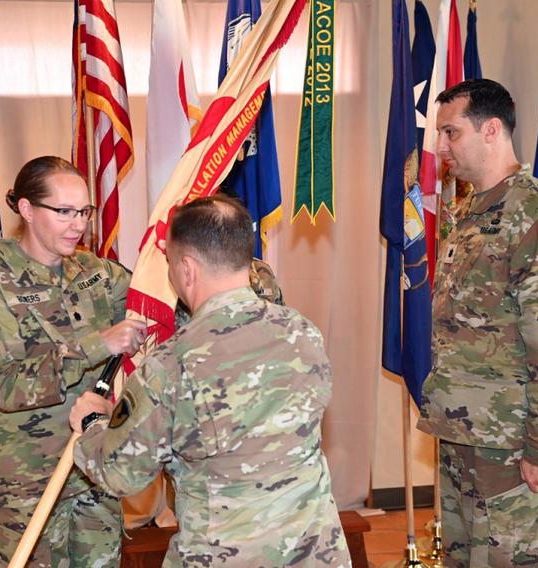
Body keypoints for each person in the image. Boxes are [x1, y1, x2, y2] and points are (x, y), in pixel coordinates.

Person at [69, 195, 350, 566]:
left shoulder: (172, 364)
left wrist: (92, 422)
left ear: (186, 268)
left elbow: (120, 474)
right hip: (315, 552)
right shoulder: (303, 333)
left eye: (169, 262)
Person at [416, 79, 538, 567]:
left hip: (513, 446)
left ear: (491, 129)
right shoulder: (472, 213)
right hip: (466, 436)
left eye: (450, 132)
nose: (440, 146)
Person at [0, 156, 147, 568]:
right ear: (26, 209)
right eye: (64, 212)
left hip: (91, 475)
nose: (78, 224)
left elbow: (156, 299)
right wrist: (98, 345)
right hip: (22, 492)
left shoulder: (94, 272)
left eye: (84, 212)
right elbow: (2, 385)